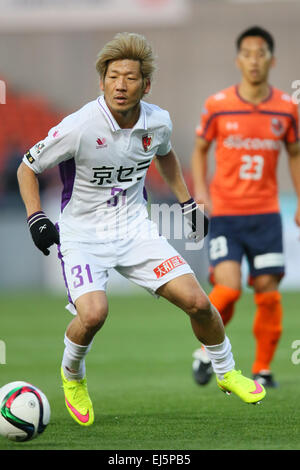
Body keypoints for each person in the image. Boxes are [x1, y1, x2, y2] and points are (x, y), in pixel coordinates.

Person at [17, 32, 265, 427]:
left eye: (130, 78)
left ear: (145, 84)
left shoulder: (158, 121)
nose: (120, 85)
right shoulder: (80, 126)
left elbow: (166, 157)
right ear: (102, 81)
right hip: (82, 235)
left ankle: (226, 371)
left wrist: (187, 203)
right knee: (94, 313)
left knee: (200, 303)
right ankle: (73, 376)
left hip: (135, 231)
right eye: (113, 76)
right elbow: (27, 167)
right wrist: (36, 217)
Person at [191, 26, 300, 388]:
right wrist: (201, 191)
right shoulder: (218, 105)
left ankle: (263, 369)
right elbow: (200, 149)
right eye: (248, 53)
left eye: (261, 53)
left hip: (267, 215)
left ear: (272, 60)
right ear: (238, 60)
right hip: (226, 213)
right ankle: (207, 350)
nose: (255, 60)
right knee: (230, 289)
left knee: (268, 292)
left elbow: (295, 154)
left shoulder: (287, 109)